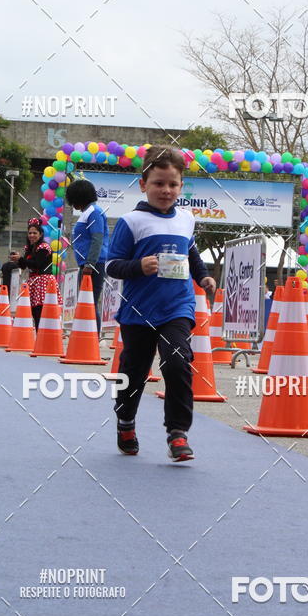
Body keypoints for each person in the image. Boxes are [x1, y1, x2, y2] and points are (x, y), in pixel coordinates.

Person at [106, 144, 216, 462]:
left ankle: (177, 433)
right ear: (143, 184)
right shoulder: (132, 221)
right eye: (158, 183)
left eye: (172, 184)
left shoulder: (186, 219)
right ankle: (125, 422)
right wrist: (138, 267)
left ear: (181, 186)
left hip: (177, 308)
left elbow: (191, 254)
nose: (166, 190)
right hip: (139, 312)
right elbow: (113, 265)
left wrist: (203, 276)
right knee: (134, 372)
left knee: (178, 362)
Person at [66, 178, 109, 334]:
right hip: (85, 264)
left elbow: (97, 239)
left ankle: (93, 339)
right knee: (85, 301)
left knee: (90, 302)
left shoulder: (94, 212)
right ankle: (86, 336)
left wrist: (90, 264)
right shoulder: (86, 213)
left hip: (92, 265)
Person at [17, 218, 61, 330]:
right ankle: (39, 336)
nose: (32, 235)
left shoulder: (44, 247)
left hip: (43, 281)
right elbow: (24, 266)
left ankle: (43, 336)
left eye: (34, 233)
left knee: (41, 311)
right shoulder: (29, 248)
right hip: (33, 282)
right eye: (30, 233)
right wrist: (18, 260)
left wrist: (21, 259)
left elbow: (37, 264)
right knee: (35, 312)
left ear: (40, 234)